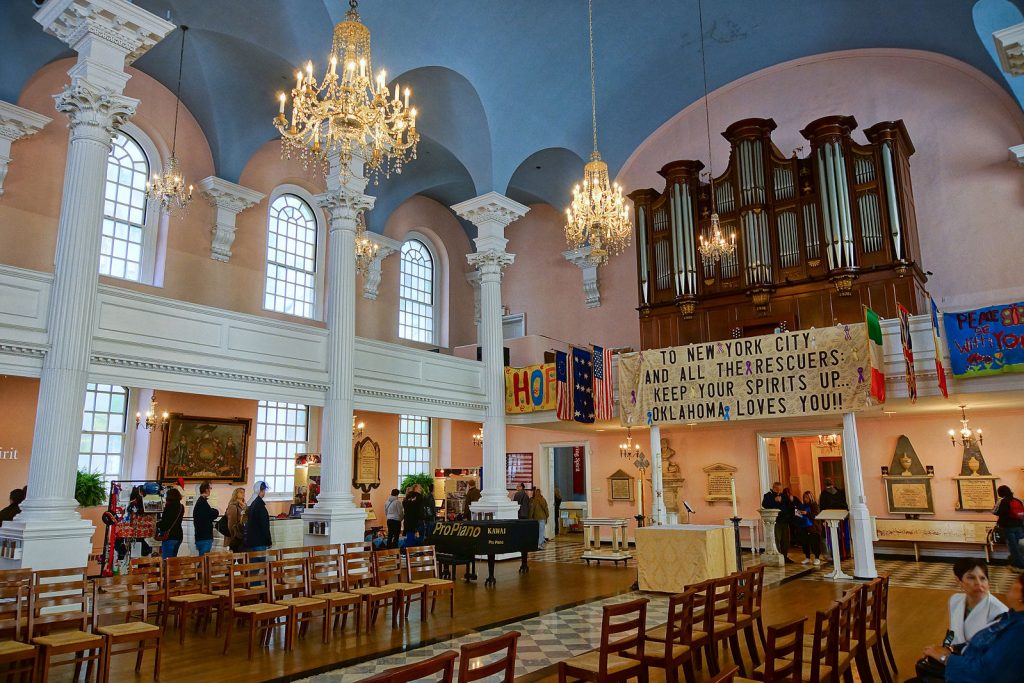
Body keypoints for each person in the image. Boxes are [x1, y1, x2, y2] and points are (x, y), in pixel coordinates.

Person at [906, 571, 1024, 683]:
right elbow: (952, 634)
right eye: (971, 578)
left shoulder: (1006, 617)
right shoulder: (956, 600)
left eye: (982, 578)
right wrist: (949, 647)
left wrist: (945, 657)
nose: (978, 583)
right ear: (959, 581)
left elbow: (987, 672)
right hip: (965, 657)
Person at [761, 482, 794, 563]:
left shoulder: (784, 496)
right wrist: (774, 500)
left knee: (785, 540)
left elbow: (789, 506)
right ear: (774, 488)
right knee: (777, 538)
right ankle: (779, 556)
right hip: (776, 521)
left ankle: (785, 556)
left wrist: (791, 500)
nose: (779, 491)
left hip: (785, 521)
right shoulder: (768, 495)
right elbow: (764, 504)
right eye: (778, 489)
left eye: (780, 489)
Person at [993, 486, 1024, 571]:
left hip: (1008, 527)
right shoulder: (1018, 500)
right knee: (1018, 546)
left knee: (1013, 548)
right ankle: (1014, 564)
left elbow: (995, 512)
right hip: (1019, 526)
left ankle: (1020, 565)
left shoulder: (1002, 501)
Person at [245, 481, 273, 559]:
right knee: (258, 565)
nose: (264, 493)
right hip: (260, 541)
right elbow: (264, 526)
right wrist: (269, 541)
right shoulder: (260, 506)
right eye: (264, 491)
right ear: (262, 491)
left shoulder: (252, 504)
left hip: (251, 540)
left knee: (253, 566)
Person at [795, 490, 822, 566]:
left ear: (810, 497)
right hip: (804, 526)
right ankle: (807, 557)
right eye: (804, 497)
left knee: (815, 543)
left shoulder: (814, 505)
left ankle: (817, 558)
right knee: (805, 542)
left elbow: (816, 515)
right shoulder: (802, 505)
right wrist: (798, 513)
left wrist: (807, 513)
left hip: (813, 527)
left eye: (807, 497)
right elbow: (799, 515)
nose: (805, 499)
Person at [156, 487, 185, 559]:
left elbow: (166, 523)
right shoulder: (181, 506)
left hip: (169, 536)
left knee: (166, 560)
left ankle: (167, 570)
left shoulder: (169, 506)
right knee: (173, 560)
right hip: (178, 535)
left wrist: (156, 524)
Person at [192, 480, 219, 556]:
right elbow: (212, 515)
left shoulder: (200, 502)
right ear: (206, 489)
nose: (210, 490)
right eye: (210, 488)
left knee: (203, 559)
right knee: (204, 560)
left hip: (200, 535)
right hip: (205, 537)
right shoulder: (202, 502)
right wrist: (215, 511)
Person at [225, 487, 247, 552]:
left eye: (244, 493)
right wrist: (234, 536)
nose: (243, 494)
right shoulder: (233, 506)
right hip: (235, 536)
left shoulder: (243, 505)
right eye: (241, 492)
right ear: (236, 494)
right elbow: (231, 523)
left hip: (242, 533)